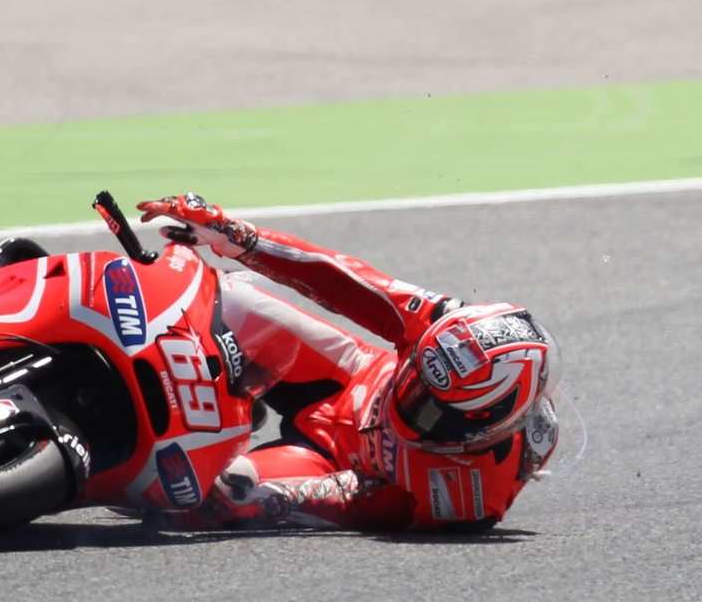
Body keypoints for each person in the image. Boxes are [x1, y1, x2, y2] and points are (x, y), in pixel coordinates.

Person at [135, 192, 567, 533]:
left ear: (482, 429)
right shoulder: (441, 321)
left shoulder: (471, 497)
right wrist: (234, 236)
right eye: (416, 377)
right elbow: (339, 278)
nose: (409, 397)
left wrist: (305, 493)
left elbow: (368, 507)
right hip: (348, 374)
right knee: (225, 296)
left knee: (205, 495)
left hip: (340, 465)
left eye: (428, 407)